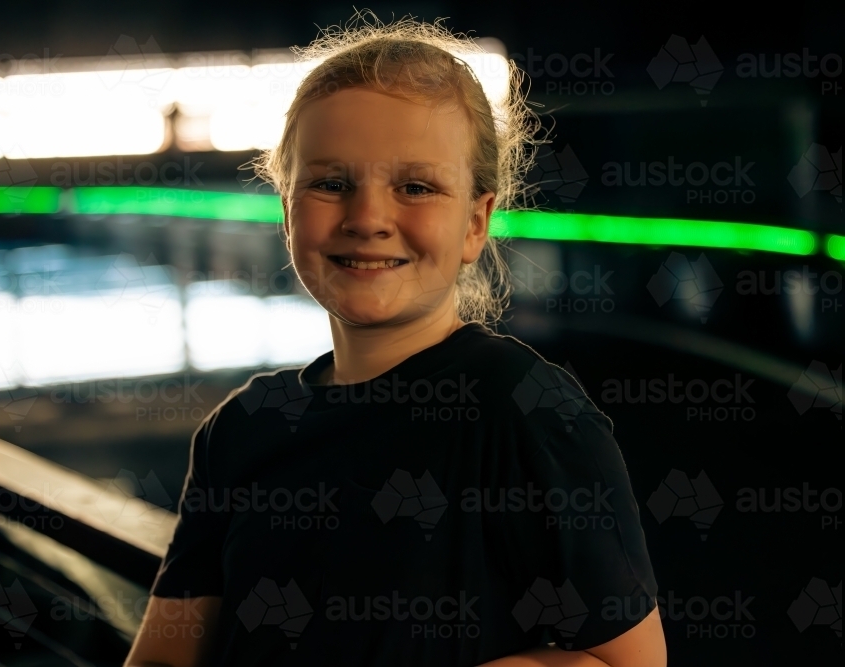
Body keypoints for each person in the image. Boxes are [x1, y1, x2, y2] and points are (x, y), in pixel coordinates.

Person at [125, 12, 666, 667]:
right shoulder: (241, 428)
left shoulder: (524, 409)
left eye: (415, 187)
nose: (369, 218)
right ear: (287, 209)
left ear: (475, 222)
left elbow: (627, 661)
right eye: (331, 183)